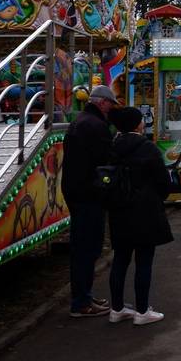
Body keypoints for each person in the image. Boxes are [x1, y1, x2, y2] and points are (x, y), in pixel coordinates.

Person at [105, 106, 174, 326]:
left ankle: (116, 308)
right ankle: (142, 310)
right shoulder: (147, 148)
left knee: (120, 259)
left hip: (119, 210)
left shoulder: (112, 147)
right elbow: (163, 181)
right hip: (145, 211)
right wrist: (157, 197)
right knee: (144, 261)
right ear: (137, 124)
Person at [60, 84, 118, 317]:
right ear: (102, 102)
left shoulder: (80, 121)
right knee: (87, 248)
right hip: (88, 194)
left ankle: (84, 295)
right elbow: (105, 161)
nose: (111, 109)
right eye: (110, 105)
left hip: (76, 191)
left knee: (84, 247)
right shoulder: (95, 126)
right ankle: (81, 302)